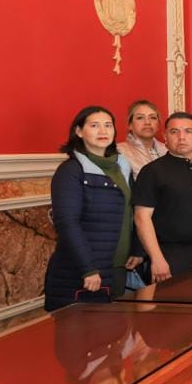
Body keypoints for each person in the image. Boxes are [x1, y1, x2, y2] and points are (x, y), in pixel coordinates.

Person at [44, 106, 142, 310]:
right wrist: (88, 268)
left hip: (118, 266)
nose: (103, 131)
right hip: (85, 271)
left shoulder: (122, 166)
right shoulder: (71, 170)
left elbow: (131, 211)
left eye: (108, 125)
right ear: (79, 131)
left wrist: (136, 248)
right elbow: (67, 223)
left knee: (116, 327)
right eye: (95, 125)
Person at [133, 112, 192, 279]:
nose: (181, 137)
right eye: (174, 131)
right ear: (165, 136)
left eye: (188, 131)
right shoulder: (152, 172)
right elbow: (141, 218)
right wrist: (156, 258)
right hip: (169, 255)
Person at [116, 99, 167, 177]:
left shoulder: (167, 150)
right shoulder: (118, 151)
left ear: (158, 124)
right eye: (140, 118)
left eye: (153, 117)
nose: (147, 122)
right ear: (130, 125)